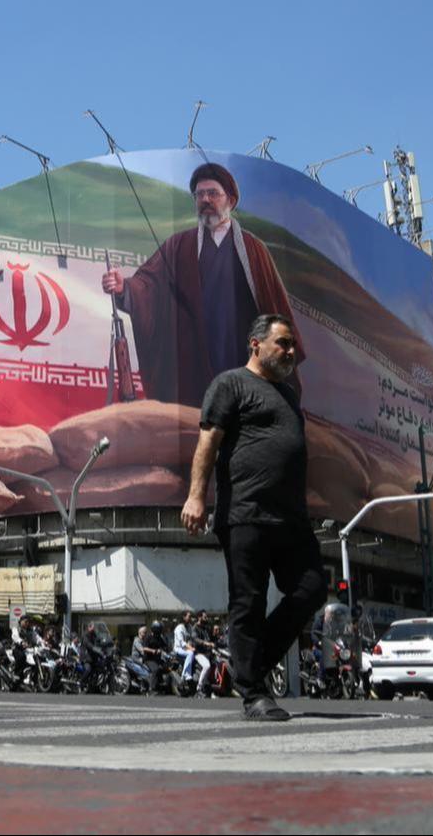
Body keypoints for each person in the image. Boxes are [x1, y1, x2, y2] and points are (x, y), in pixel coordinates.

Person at [181, 314, 326, 721]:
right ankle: (254, 694)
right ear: (255, 344)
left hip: (291, 520)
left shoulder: (289, 394)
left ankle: (250, 666)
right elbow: (208, 440)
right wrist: (196, 497)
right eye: (282, 343)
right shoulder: (230, 384)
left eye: (292, 345)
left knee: (312, 589)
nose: (291, 351)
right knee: (249, 601)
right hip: (246, 513)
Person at [101, 163, 303, 407]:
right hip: (193, 361)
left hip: (242, 354)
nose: (205, 199)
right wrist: (124, 287)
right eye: (200, 195)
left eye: (213, 193)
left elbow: (274, 307)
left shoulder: (253, 250)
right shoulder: (179, 246)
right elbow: (148, 285)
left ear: (230, 200)